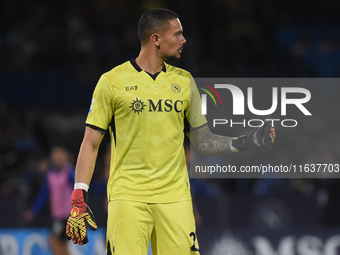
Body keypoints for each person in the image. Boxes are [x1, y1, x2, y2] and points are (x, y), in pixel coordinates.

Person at [65, 8, 275, 255]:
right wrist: (79, 194)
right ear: (156, 39)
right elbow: (90, 143)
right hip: (128, 197)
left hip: (175, 198)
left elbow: (203, 141)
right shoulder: (111, 82)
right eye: (177, 34)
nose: (183, 40)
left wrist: (247, 141)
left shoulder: (185, 81)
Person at [25, 146, 75, 255]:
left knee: (53, 240)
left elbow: (78, 186)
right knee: (60, 243)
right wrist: (34, 210)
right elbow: (44, 194)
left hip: (67, 215)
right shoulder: (51, 174)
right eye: (54, 154)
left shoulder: (69, 172)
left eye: (59, 154)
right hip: (56, 215)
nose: (57, 157)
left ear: (64, 155)